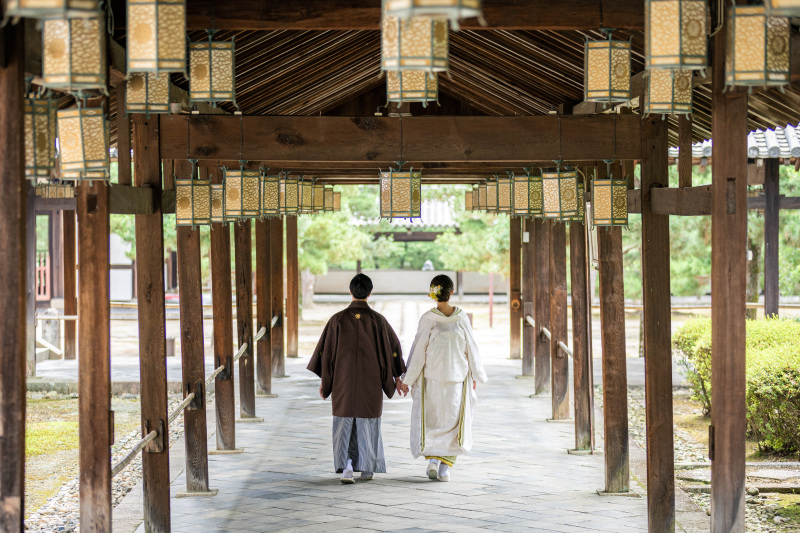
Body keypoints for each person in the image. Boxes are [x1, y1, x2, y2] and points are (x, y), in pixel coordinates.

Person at [307, 273, 406, 484]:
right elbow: (393, 350)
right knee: (368, 422)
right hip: (371, 382)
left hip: (343, 381)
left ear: (350, 292)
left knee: (344, 423)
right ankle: (367, 467)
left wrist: (326, 383)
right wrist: (397, 376)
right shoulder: (378, 321)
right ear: (370, 293)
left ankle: (347, 467)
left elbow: (326, 354)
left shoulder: (337, 320)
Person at [400, 274, 487, 482]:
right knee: (453, 423)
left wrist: (407, 379)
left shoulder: (428, 319)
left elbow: (418, 350)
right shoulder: (461, 318)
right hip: (456, 379)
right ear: (452, 292)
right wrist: (476, 374)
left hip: (432, 381)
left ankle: (432, 460)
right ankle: (444, 469)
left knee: (433, 421)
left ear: (433, 293)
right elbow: (471, 349)